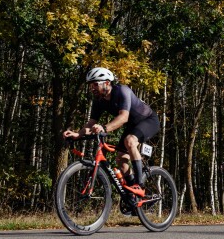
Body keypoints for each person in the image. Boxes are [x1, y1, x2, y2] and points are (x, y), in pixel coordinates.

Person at [63, 67, 160, 199]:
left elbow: (123, 117)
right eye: (91, 85)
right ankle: (134, 197)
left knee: (130, 141)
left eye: (95, 84)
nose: (92, 88)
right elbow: (91, 123)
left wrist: (104, 127)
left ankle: (140, 185)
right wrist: (78, 134)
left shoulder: (122, 91)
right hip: (132, 126)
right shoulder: (99, 101)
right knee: (120, 159)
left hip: (148, 120)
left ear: (107, 83)